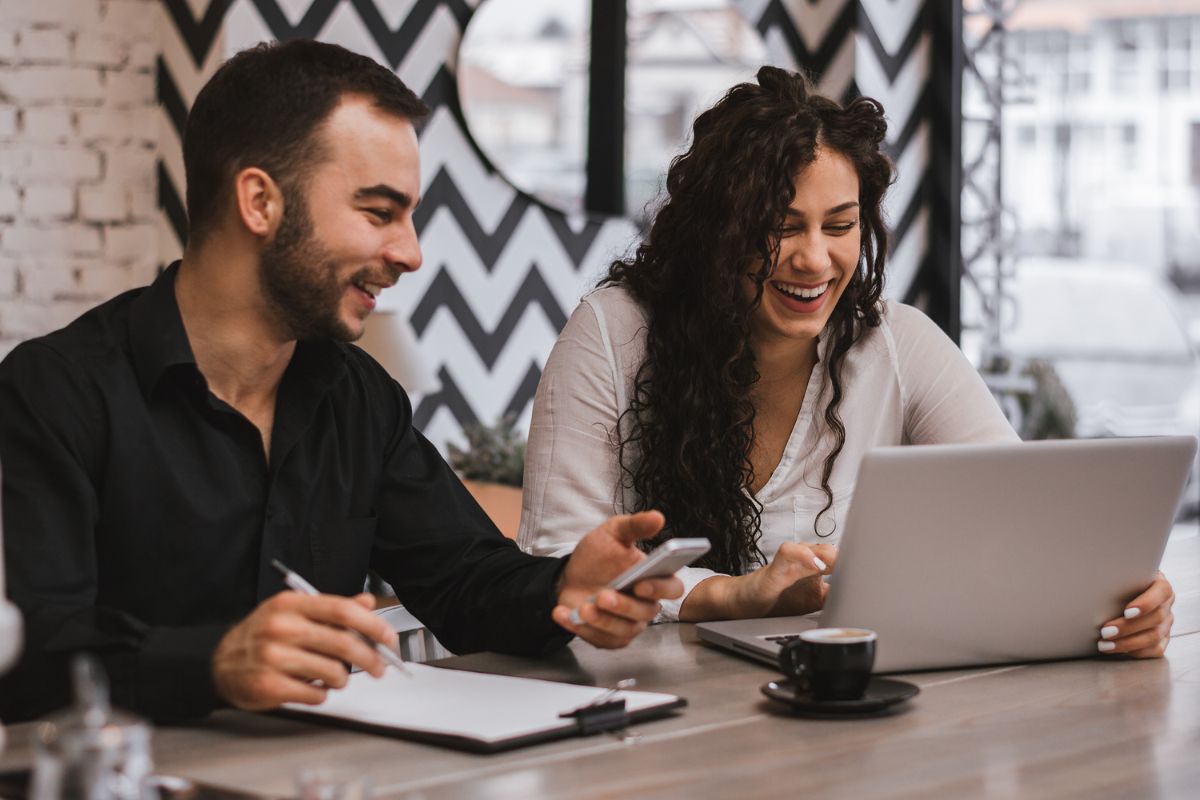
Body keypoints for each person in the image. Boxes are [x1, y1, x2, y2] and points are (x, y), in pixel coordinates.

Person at [0, 40, 683, 724]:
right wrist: (212, 662)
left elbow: (465, 582)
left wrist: (564, 588)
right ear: (260, 202)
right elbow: (29, 651)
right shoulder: (52, 393)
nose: (410, 253)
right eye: (380, 212)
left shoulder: (360, 397)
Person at [518, 67, 1174, 657]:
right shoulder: (612, 333)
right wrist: (732, 595)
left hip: (836, 706)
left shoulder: (896, 343)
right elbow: (557, 562)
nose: (814, 259)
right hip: (644, 712)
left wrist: (1121, 598)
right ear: (716, 230)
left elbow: (1020, 515)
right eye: (781, 226)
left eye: (839, 226)